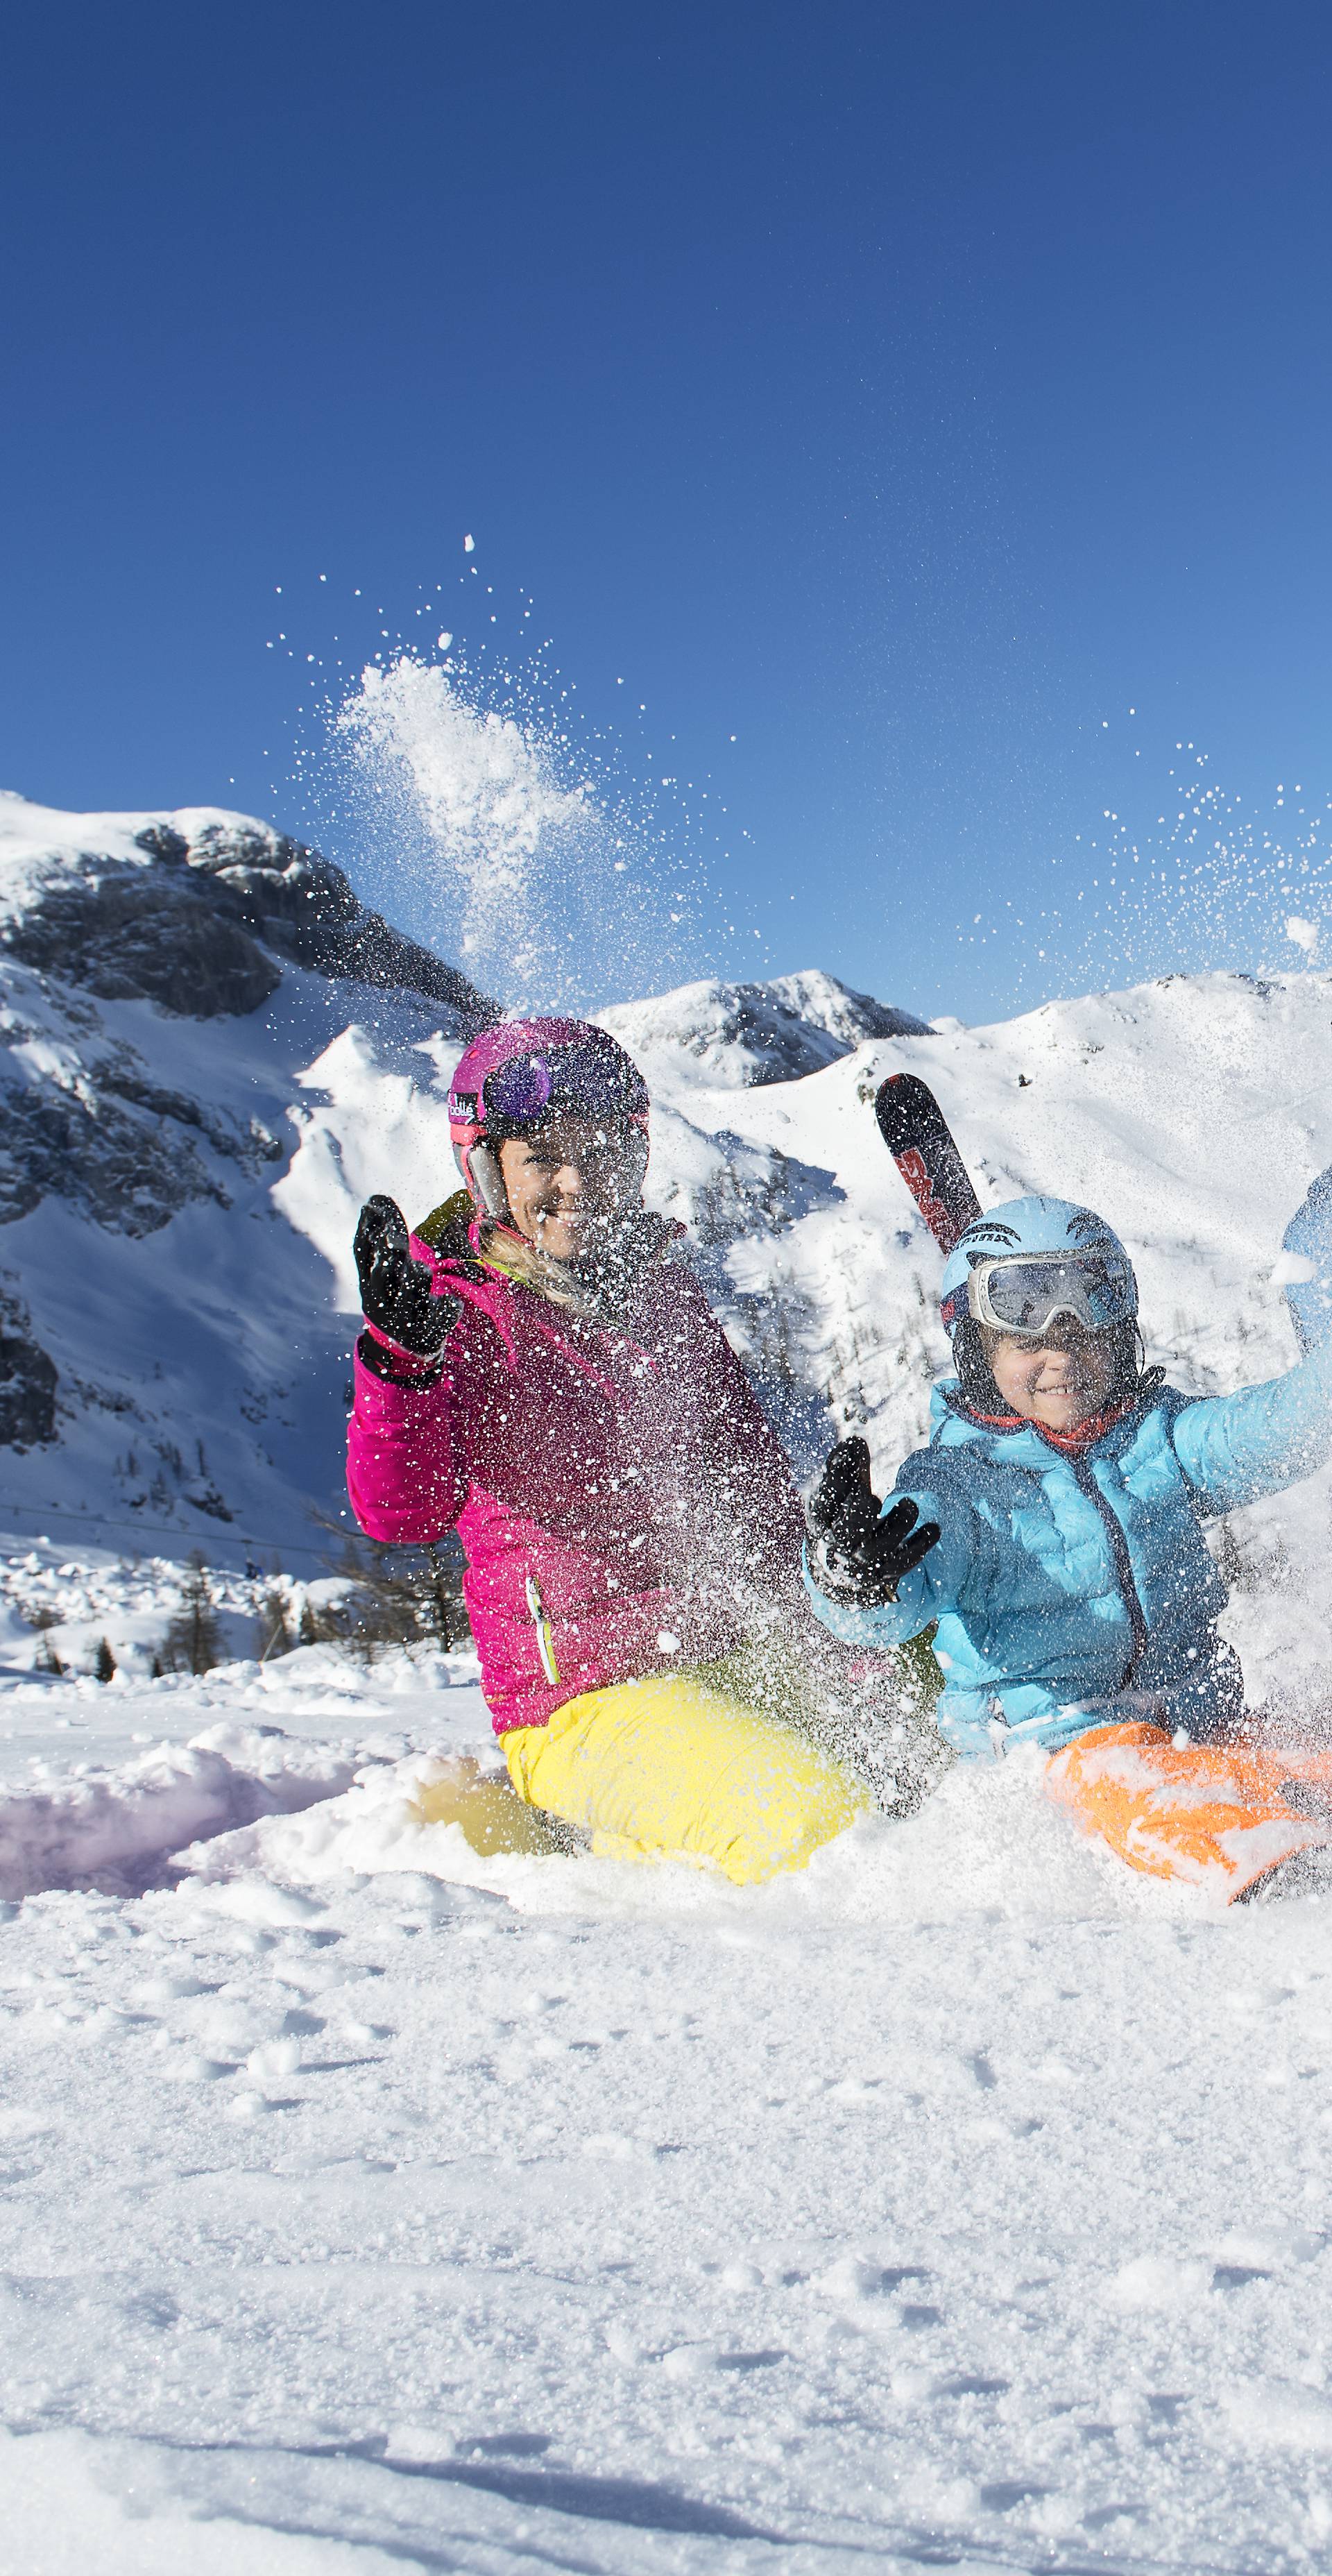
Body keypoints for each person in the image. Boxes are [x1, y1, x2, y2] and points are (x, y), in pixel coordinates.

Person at [347, 1017, 939, 1883]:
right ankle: (615, 1841)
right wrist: (401, 1361)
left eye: (603, 1148)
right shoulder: (454, 1312)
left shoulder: (661, 1289)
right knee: (822, 1830)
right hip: (587, 1702)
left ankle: (642, 1840)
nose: (578, 1179)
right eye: (543, 1156)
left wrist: (833, 1582)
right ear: (486, 1168)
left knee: (946, 1716)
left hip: (739, 1649)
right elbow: (402, 1514)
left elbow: (747, 1481)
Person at [805, 1183, 1332, 1904]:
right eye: (1027, 1340)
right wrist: (852, 1578)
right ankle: (1292, 1880)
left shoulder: (1164, 1441)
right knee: (1138, 1784)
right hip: (1058, 1760)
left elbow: (1284, 1427)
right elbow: (896, 1597)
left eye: (1084, 1332)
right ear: (978, 1351)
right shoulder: (962, 1487)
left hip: (1204, 1731)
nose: (1061, 1356)